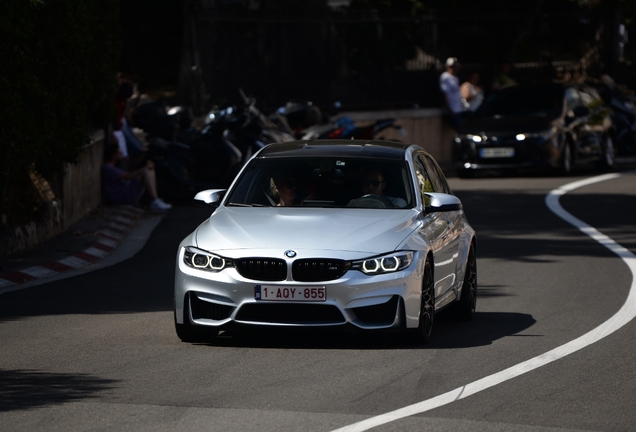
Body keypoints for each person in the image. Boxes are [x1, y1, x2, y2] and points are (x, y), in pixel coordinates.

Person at [101, 143, 172, 211]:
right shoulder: (108, 168)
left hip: (126, 190)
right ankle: (155, 201)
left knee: (149, 170)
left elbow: (130, 174)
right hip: (122, 196)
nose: (121, 154)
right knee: (145, 171)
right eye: (119, 152)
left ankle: (155, 199)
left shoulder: (113, 167)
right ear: (114, 155)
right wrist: (144, 168)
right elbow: (129, 176)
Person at [439, 57, 463, 131]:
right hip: (452, 110)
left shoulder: (455, 78)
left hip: (458, 109)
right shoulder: (445, 77)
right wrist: (449, 109)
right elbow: (445, 94)